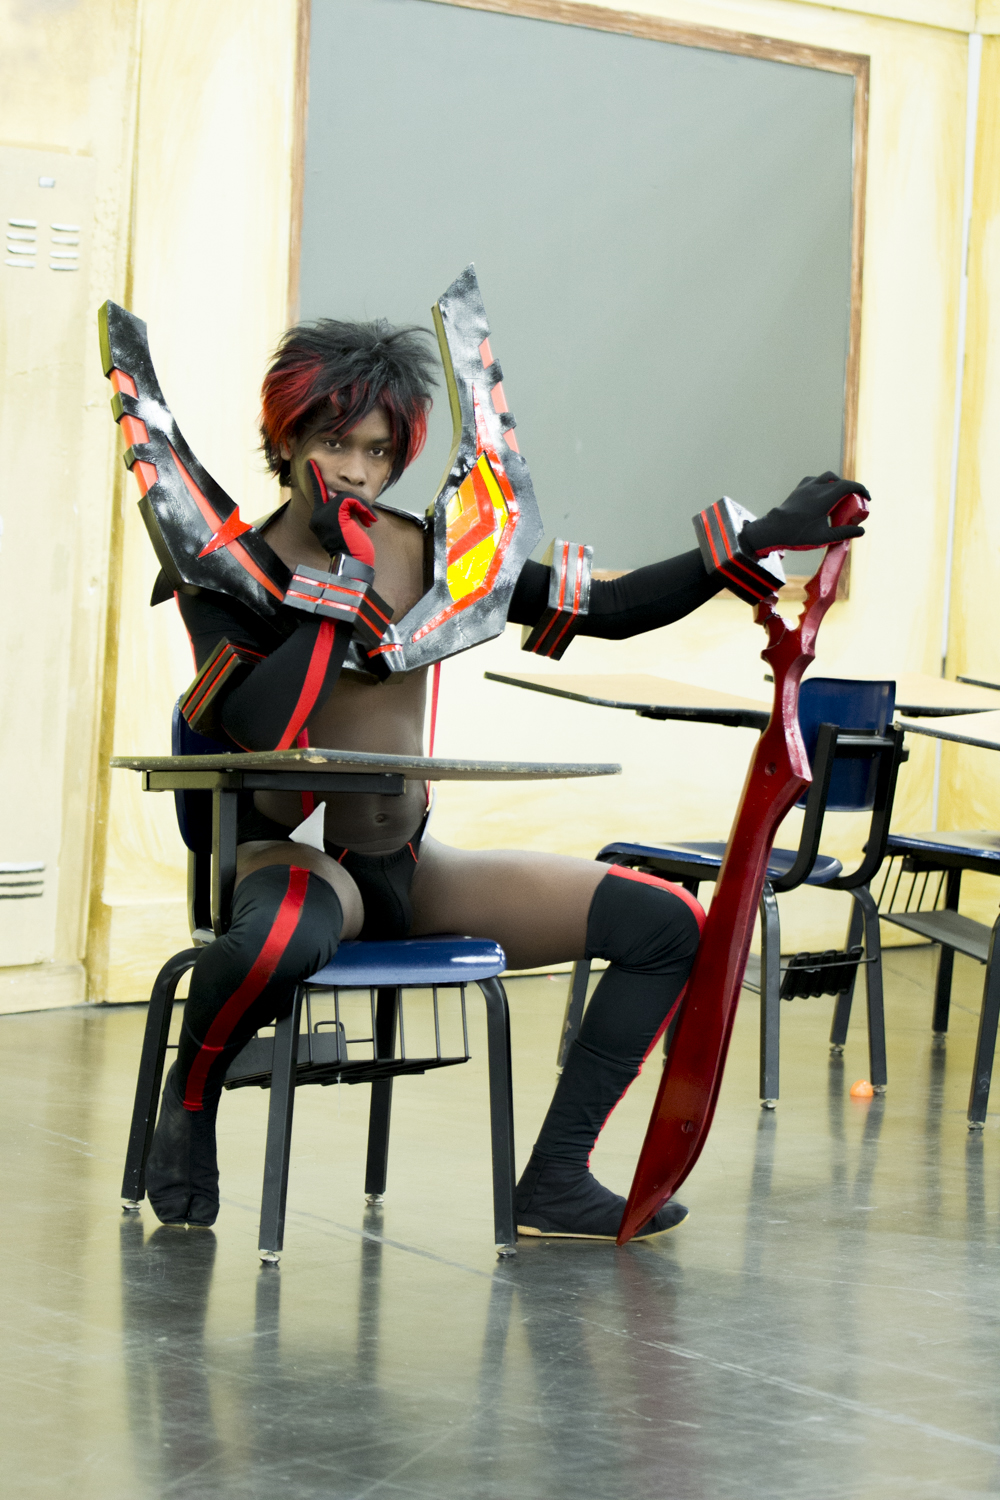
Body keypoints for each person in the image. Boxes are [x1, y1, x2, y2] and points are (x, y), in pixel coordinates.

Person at [144, 316, 868, 1239]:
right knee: (282, 935)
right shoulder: (224, 568)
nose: (357, 471)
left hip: (409, 865)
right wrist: (335, 588)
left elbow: (607, 608)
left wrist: (761, 537)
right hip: (294, 861)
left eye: (378, 450)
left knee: (662, 926)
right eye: (334, 443)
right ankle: (191, 1099)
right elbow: (255, 723)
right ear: (284, 440)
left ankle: (556, 1177)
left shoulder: (435, 552)